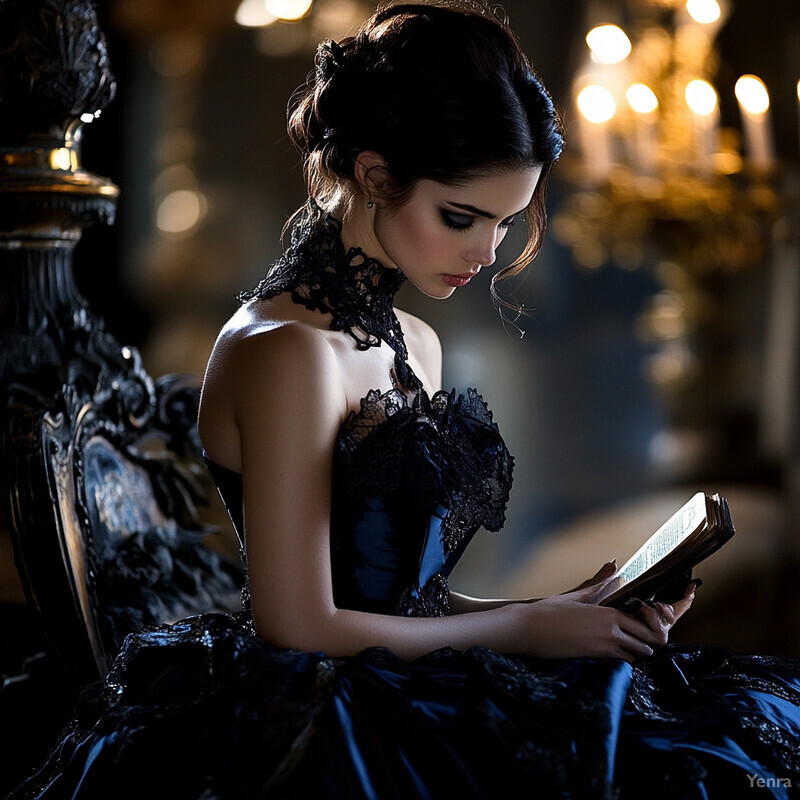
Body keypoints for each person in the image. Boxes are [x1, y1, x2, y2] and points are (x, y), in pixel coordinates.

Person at [9, 2, 800, 799]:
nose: (486, 254)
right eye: (462, 217)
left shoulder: (416, 340)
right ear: (374, 173)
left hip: (399, 676)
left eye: (505, 224)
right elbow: (300, 625)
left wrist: (567, 613)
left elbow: (405, 597)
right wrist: (527, 630)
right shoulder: (283, 354)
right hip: (322, 711)